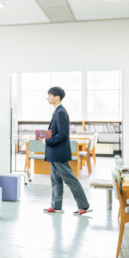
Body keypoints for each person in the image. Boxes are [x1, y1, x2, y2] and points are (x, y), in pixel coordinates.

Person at [43, 87, 92, 215]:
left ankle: (84, 206)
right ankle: (56, 206)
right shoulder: (57, 111)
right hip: (54, 153)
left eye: (50, 95)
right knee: (55, 180)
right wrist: (46, 136)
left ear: (57, 97)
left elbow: (63, 134)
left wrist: (47, 141)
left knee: (70, 179)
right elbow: (56, 132)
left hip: (58, 153)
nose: (48, 98)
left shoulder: (60, 112)